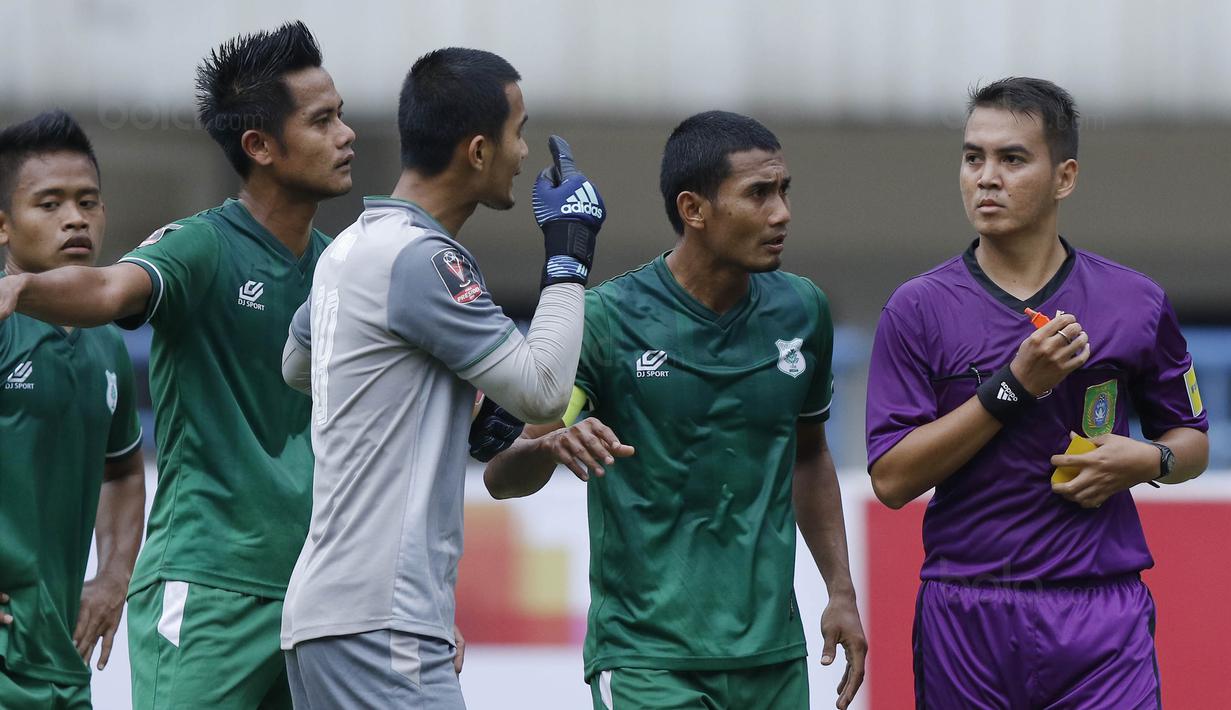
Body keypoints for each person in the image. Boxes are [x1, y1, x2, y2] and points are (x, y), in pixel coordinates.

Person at [0, 21, 355, 708]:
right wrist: (25, 289)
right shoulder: (201, 247)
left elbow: (122, 470)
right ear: (260, 146)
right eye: (322, 121)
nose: (346, 135)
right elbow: (110, 289)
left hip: (313, 592)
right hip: (208, 585)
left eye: (340, 115)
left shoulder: (342, 268)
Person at [484, 110, 868, 710]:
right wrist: (550, 445)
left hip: (771, 655)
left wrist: (841, 591)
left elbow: (810, 456)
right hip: (647, 659)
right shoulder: (606, 319)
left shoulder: (803, 310)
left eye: (784, 191)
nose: (781, 213)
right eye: (759, 194)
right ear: (694, 209)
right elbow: (503, 477)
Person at [278, 47, 607, 708]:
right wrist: (569, 254)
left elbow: (298, 366)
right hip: (382, 619)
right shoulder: (424, 260)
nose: (524, 153)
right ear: (478, 151)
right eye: (517, 133)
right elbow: (543, 390)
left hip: (327, 619)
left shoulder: (351, 246)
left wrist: (448, 403)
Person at [866, 77, 1210, 708]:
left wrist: (1149, 459)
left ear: (1064, 177)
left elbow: (1192, 442)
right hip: (967, 613)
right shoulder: (917, 309)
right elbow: (891, 480)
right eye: (973, 158)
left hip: (1101, 613)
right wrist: (1015, 387)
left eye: (1012, 159)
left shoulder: (1134, 301)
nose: (986, 178)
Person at [0, 111, 145, 709]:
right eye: (50, 203)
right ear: (3, 225)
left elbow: (124, 470)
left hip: (62, 660)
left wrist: (113, 576)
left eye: (88, 202)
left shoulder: (107, 341)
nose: (75, 218)